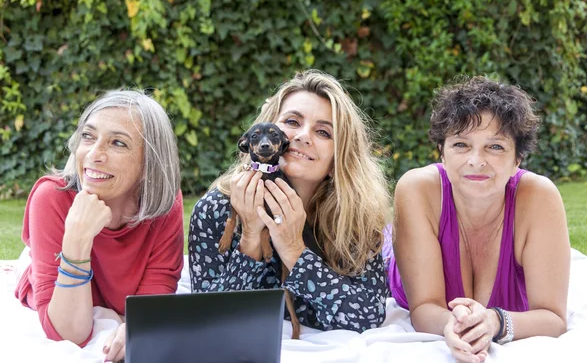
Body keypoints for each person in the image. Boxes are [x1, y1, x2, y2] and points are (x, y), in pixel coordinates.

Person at [188, 70, 391, 333]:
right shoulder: (216, 209)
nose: (303, 136)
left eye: (323, 132)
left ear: (338, 159)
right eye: (292, 122)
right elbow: (208, 320)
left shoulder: (353, 218)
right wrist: (250, 237)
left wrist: (295, 250)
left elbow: (368, 316)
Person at [386, 77, 570, 363]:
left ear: (517, 159)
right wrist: (452, 325)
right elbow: (423, 308)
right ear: (442, 154)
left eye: (495, 147)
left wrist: (495, 322)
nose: (476, 160)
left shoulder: (538, 197)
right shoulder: (417, 189)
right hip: (403, 251)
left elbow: (554, 319)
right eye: (461, 144)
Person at [14, 90, 184, 362]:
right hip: (58, 276)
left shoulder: (163, 204)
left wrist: (138, 326)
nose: (94, 154)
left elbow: (154, 297)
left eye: (117, 143)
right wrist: (77, 240)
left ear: (149, 163)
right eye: (88, 136)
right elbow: (70, 332)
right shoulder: (52, 199)